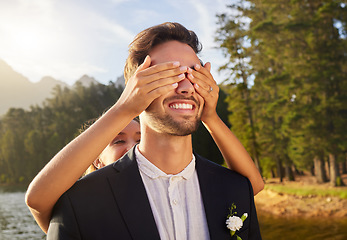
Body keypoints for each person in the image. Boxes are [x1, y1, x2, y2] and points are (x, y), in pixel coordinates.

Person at [39, 22, 262, 239]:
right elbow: (38, 199)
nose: (186, 87)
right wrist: (124, 108)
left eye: (195, 74)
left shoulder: (236, 189)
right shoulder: (80, 202)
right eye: (169, 74)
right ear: (135, 88)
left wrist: (210, 114)